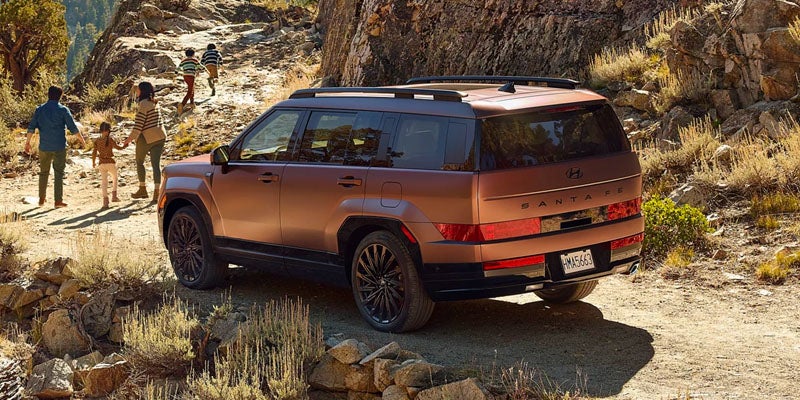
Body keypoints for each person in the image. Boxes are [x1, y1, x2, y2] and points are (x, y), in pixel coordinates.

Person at [25, 85, 86, 208]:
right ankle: (58, 201)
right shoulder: (63, 110)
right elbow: (73, 128)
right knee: (58, 173)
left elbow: (31, 127)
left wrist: (27, 143)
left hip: (44, 146)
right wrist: (82, 141)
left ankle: (41, 200)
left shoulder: (39, 109)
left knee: (43, 173)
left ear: (48, 94)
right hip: (59, 146)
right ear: (60, 96)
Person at [123, 81, 166, 201]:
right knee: (155, 164)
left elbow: (138, 126)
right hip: (160, 136)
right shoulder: (155, 102)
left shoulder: (143, 104)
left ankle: (142, 189)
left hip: (147, 138)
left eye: (138, 90)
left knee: (139, 162)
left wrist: (128, 140)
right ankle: (157, 192)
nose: (136, 91)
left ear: (142, 91)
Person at [91, 122, 124, 209]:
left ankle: (105, 202)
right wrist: (125, 145)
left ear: (101, 130)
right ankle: (114, 195)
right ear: (109, 131)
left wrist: (93, 162)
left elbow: (94, 153)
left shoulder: (97, 141)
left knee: (104, 182)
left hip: (101, 163)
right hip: (110, 162)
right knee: (115, 178)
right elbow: (119, 148)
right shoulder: (110, 139)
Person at [177, 48, 205, 115]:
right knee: (190, 91)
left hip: (185, 76)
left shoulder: (183, 60)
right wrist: (204, 68)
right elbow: (200, 66)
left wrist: (176, 72)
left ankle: (192, 103)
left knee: (191, 89)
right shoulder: (194, 60)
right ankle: (182, 104)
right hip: (191, 76)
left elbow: (178, 68)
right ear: (193, 54)